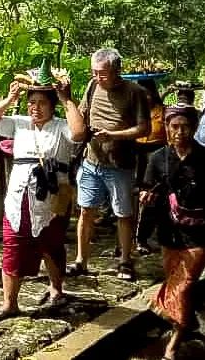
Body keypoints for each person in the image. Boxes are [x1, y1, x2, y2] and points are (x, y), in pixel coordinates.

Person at [0, 59, 86, 322]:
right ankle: (9, 303)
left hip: (51, 197)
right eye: (32, 102)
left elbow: (80, 133)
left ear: (52, 105)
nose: (35, 108)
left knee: (52, 245)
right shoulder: (19, 123)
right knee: (12, 245)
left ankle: (56, 289)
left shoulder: (61, 125)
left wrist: (67, 100)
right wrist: (9, 98)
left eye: (42, 103)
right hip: (19, 196)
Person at [141, 105, 205, 360]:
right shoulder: (157, 159)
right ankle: (187, 322)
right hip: (168, 232)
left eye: (185, 127)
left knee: (182, 287)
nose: (180, 132)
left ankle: (172, 345)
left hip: (201, 233)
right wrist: (142, 234)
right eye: (174, 127)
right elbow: (150, 194)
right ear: (167, 128)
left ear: (194, 128)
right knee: (177, 283)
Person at [69, 48, 151, 282]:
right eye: (94, 72)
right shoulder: (92, 86)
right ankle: (81, 260)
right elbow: (83, 115)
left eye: (102, 74)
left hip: (120, 164)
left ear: (117, 71)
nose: (97, 77)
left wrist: (115, 135)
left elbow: (143, 128)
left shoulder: (135, 92)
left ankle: (125, 260)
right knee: (86, 210)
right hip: (91, 160)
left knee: (123, 214)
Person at [134, 79, 167, 253]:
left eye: (147, 93)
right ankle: (131, 239)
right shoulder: (134, 112)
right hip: (136, 157)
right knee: (134, 200)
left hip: (156, 158)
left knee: (153, 199)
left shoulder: (163, 112)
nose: (145, 97)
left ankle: (145, 237)